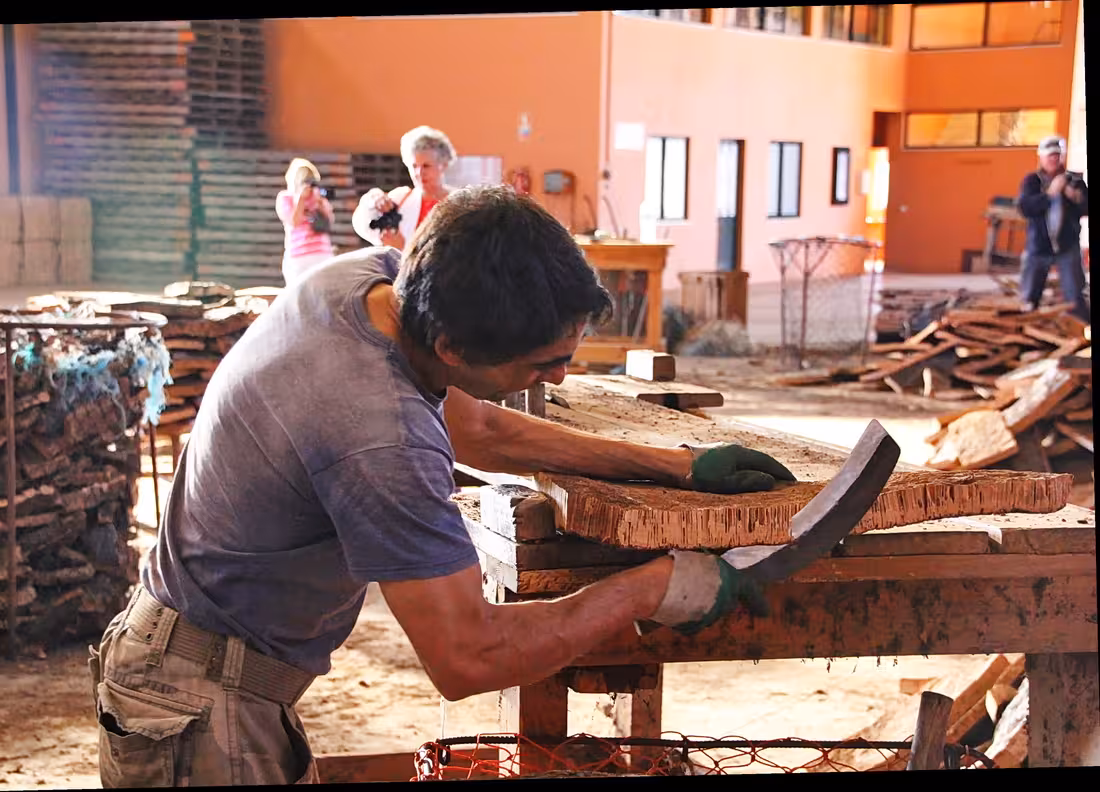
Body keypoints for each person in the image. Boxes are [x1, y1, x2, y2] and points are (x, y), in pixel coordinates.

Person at [88, 185, 796, 786]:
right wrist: (655, 587)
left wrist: (675, 466)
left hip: (201, 663)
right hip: (196, 700)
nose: (555, 378)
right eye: (540, 363)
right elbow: (467, 656)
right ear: (454, 349)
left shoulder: (370, 284)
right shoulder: (377, 435)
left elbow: (482, 432)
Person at [1016, 135, 1090, 322]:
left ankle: (1079, 333)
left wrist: (1077, 199)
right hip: (1039, 247)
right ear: (1041, 157)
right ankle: (1029, 332)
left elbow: (1086, 208)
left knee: (1074, 296)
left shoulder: (1074, 181)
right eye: (1049, 155)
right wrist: (1049, 195)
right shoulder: (1032, 181)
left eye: (1057, 155)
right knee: (1029, 296)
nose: (1053, 159)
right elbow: (1025, 208)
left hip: (1067, 247)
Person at [352, 125, 456, 251]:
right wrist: (372, 200)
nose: (419, 172)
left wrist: (402, 249)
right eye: (414, 166)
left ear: (443, 164)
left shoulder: (458, 202)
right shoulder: (401, 198)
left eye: (426, 166)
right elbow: (362, 225)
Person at [276, 157, 336, 286]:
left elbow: (329, 221)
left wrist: (319, 202)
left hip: (321, 253)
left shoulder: (318, 197)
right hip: (299, 255)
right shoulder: (286, 197)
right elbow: (294, 221)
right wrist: (301, 200)